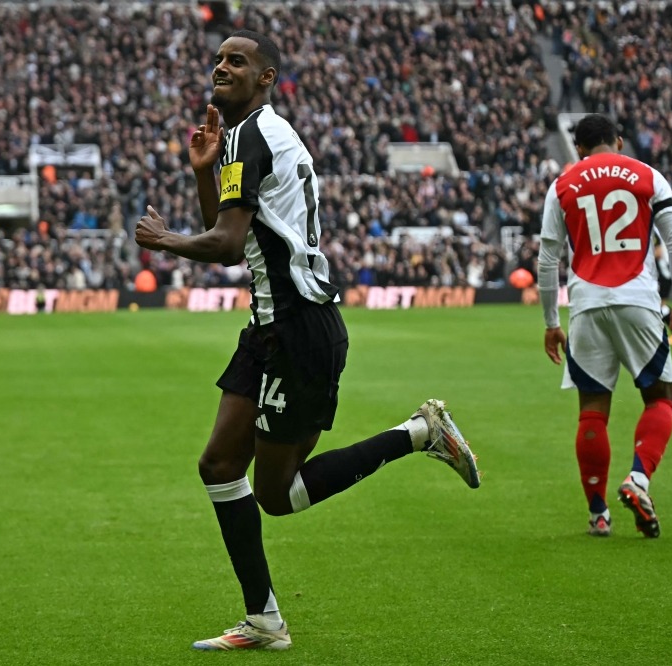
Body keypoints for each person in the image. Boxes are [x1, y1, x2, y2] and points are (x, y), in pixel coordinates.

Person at [134, 30, 480, 651]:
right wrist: (205, 173)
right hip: (270, 327)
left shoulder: (252, 137)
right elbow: (229, 230)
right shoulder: (259, 135)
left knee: (279, 496)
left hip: (299, 329)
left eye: (236, 61)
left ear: (265, 77)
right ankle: (265, 620)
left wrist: (165, 242)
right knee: (217, 464)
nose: (221, 67)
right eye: (217, 59)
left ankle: (420, 433)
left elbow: (225, 245)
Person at [537, 113, 672, 539]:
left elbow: (547, 260)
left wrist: (552, 321)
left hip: (586, 305)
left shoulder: (564, 184)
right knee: (661, 398)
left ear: (581, 148)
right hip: (638, 299)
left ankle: (598, 514)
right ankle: (638, 480)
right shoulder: (647, 175)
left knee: (592, 411)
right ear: (618, 141)